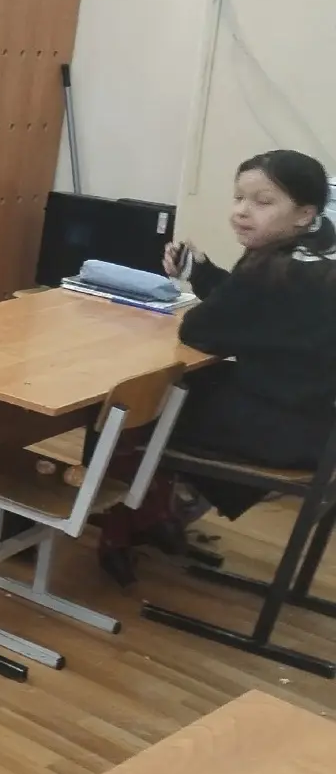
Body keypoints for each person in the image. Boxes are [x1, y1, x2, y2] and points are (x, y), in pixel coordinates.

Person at [97, 151, 336, 582]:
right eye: (239, 198)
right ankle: (158, 513)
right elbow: (260, 314)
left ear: (303, 213)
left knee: (130, 406)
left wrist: (215, 294)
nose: (242, 211)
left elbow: (200, 331)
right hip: (315, 423)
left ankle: (126, 523)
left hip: (275, 431)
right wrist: (204, 274)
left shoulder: (276, 268)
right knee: (183, 387)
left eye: (263, 202)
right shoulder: (317, 254)